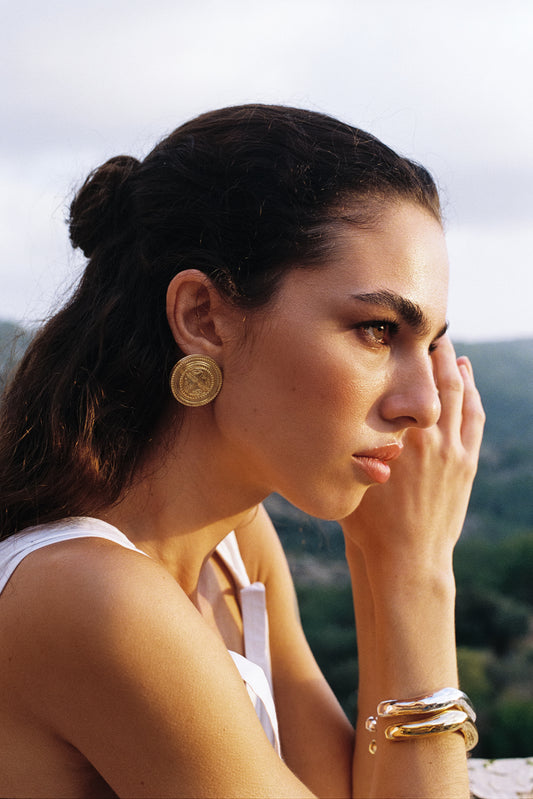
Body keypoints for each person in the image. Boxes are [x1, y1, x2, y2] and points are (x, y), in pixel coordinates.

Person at [0, 104, 485, 799]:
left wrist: (380, 561)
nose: (425, 403)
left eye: (430, 344)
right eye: (377, 329)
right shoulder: (94, 596)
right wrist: (415, 572)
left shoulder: (236, 547)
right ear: (202, 316)